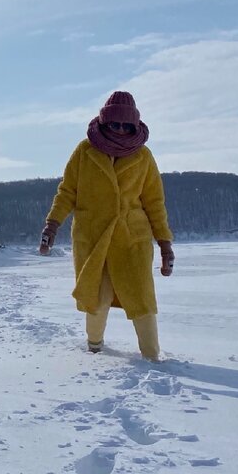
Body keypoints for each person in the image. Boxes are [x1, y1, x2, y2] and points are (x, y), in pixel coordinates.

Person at [39, 90, 175, 361]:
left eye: (127, 125)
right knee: (96, 298)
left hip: (131, 238)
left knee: (142, 299)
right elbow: (67, 191)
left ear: (135, 125)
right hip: (92, 237)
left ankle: (152, 357)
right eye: (115, 124)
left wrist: (165, 243)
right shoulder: (84, 152)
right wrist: (52, 225)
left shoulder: (143, 157)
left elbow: (154, 203)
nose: (121, 130)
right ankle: (94, 347)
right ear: (103, 122)